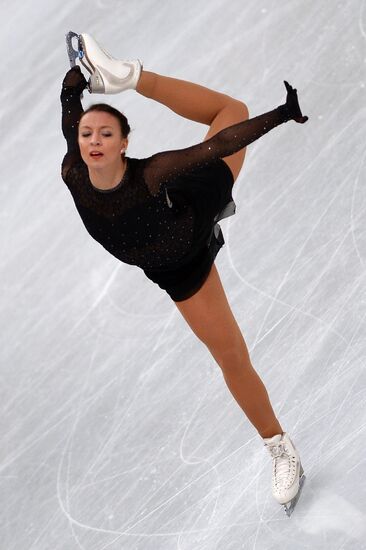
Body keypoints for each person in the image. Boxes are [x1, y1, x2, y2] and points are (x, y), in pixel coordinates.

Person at [60, 33, 308, 515]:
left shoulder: (151, 173)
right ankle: (281, 448)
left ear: (124, 144)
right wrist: (77, 77)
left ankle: (132, 77)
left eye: (106, 134)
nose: (93, 141)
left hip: (192, 209)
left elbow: (220, 143)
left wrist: (281, 114)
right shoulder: (72, 169)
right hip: (178, 267)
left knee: (230, 112)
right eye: (87, 133)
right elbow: (69, 102)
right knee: (232, 356)